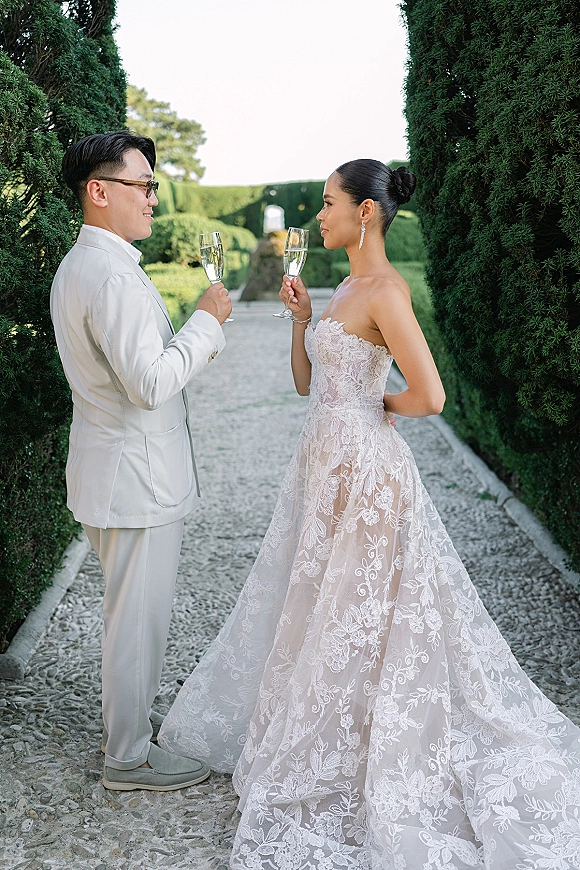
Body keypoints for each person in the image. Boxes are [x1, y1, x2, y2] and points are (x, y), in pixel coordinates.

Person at [158, 159, 580, 866]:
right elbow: (305, 386)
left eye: (327, 204)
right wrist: (299, 325)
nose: (316, 216)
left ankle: (374, 749)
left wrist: (367, 409)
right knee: (325, 600)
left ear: (365, 214)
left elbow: (430, 396)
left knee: (365, 611)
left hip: (366, 474)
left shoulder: (385, 289)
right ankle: (340, 731)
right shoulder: (346, 284)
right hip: (320, 470)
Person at [50, 131, 232, 792]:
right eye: (144, 185)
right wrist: (207, 321)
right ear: (100, 192)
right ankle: (127, 758)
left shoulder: (86, 266)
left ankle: (127, 728)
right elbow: (150, 383)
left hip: (112, 476)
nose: (155, 199)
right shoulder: (110, 276)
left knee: (130, 616)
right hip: (136, 484)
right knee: (136, 621)